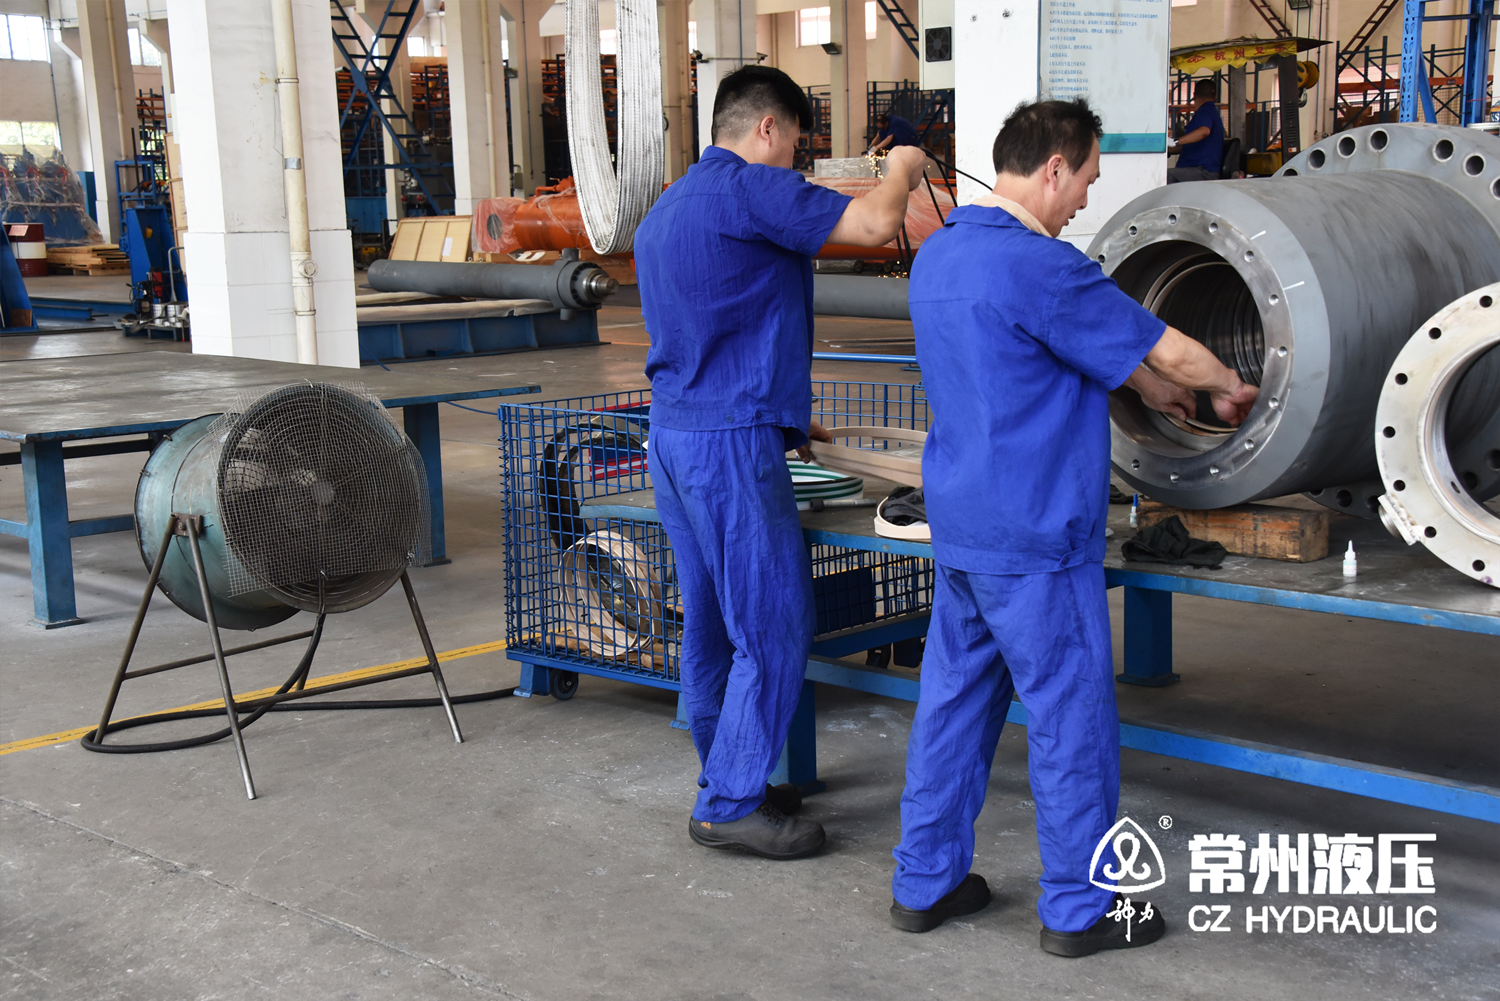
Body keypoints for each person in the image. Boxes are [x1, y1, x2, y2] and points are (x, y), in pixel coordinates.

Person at [888, 98, 1258, 955]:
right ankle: (1079, 908)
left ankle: (924, 882)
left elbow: (1047, 352)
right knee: (1070, 719)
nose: (1087, 198)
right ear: (1054, 166)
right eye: (1087, 178)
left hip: (965, 528)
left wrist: (1151, 388)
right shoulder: (1043, 266)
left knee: (952, 706)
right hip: (1038, 535)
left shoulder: (941, 255)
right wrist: (1225, 384)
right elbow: (1168, 348)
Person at [633, 66, 929, 860]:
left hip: (677, 436)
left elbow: (721, 323)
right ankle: (731, 803)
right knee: (772, 622)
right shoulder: (750, 188)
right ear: (767, 127)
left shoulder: (669, 206)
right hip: (727, 446)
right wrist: (903, 168)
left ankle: (730, 775)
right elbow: (875, 227)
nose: (797, 157)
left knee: (711, 624)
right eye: (797, 140)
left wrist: (784, 417)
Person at [1167, 78, 1225, 182]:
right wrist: (1167, 149)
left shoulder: (1205, 111)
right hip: (1197, 169)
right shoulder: (1212, 113)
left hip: (1202, 170)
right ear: (1215, 96)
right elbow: (1188, 145)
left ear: (1194, 95)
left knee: (1163, 176)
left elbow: (1204, 131)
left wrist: (1176, 141)